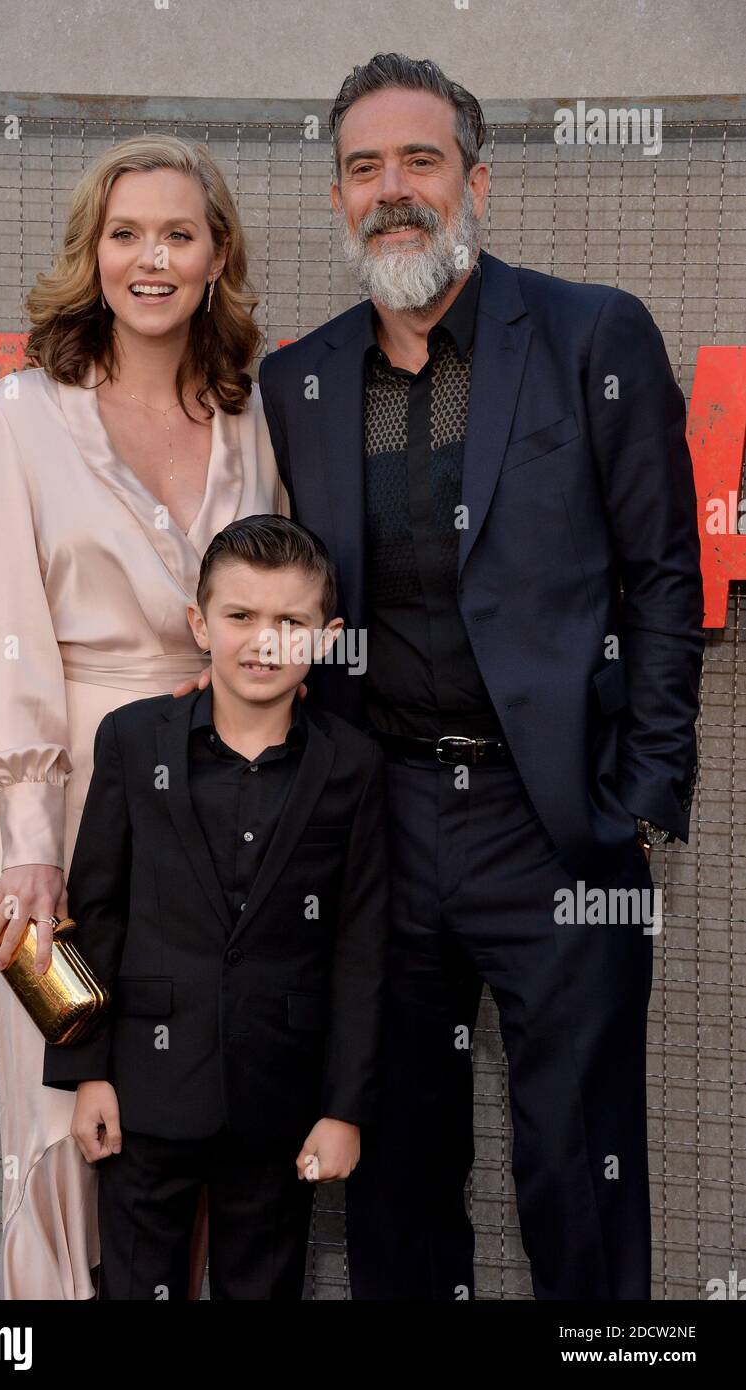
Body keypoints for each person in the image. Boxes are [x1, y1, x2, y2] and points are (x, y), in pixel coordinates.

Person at [251, 54, 705, 1299]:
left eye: (418, 160)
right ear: (337, 196)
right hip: (377, 824)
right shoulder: (295, 382)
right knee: (392, 1160)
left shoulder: (587, 332)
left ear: (475, 181)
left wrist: (646, 787)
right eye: (362, 168)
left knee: (579, 1156)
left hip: (552, 819)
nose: (391, 190)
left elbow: (664, 573)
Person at [0, 134, 288, 1299]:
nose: (151, 258)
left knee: (192, 1124)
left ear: (215, 253)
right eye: (125, 233)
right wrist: (32, 853)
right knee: (65, 1119)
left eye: (177, 233)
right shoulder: (20, 419)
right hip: (61, 818)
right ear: (91, 257)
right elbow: (1, 638)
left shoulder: (246, 418)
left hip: (217, 815)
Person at [41, 515, 390, 1299]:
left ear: (326, 639)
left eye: (289, 622)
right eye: (240, 616)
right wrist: (84, 1072)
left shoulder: (353, 767)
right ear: (200, 623)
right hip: (139, 1094)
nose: (263, 641)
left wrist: (344, 1110)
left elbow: (361, 947)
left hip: (279, 1101)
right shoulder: (133, 740)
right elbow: (93, 910)